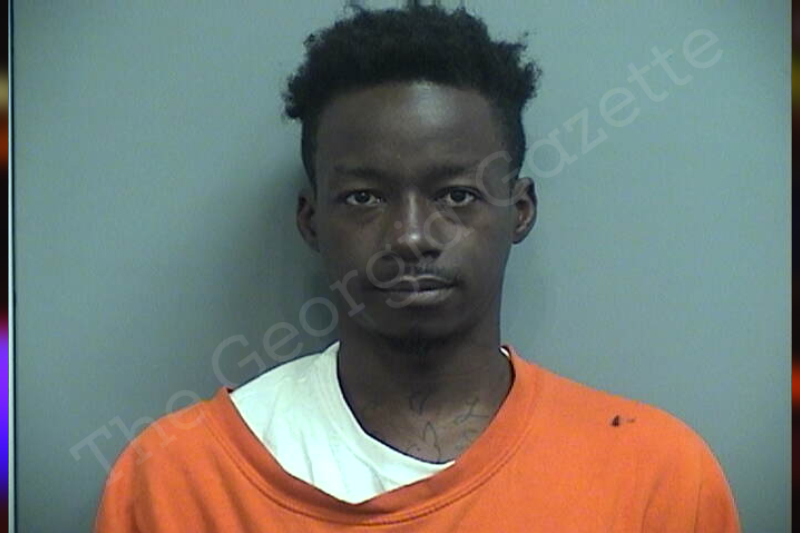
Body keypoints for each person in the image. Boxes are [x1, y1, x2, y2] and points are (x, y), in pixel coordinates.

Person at [94, 4, 741, 531]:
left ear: (518, 211)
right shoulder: (177, 480)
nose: (408, 236)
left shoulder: (654, 475)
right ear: (311, 220)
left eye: (455, 195)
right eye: (364, 197)